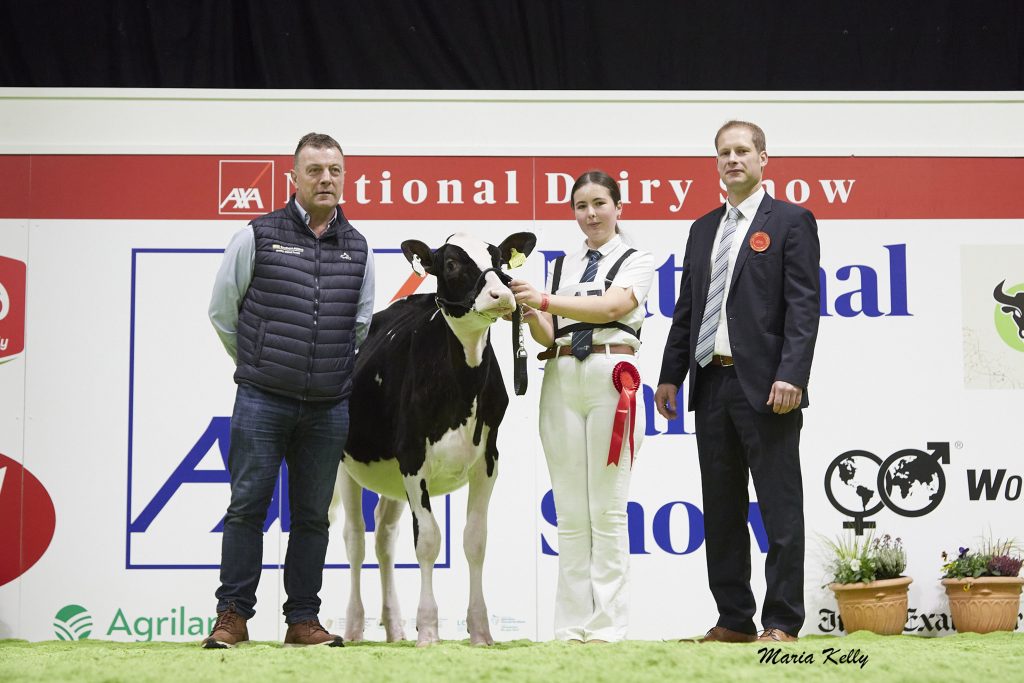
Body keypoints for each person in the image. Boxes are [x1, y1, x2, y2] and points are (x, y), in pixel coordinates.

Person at [204, 132, 375, 648]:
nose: (326, 179)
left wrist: (322, 374)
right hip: (262, 397)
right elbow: (222, 310)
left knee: (313, 518)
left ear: (345, 178)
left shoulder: (360, 247)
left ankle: (303, 620)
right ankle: (232, 615)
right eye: (315, 170)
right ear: (293, 178)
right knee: (246, 507)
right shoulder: (257, 234)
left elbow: (360, 325)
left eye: (335, 171)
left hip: (327, 407)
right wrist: (258, 365)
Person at [655, 121, 820, 644]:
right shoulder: (703, 229)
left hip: (769, 388)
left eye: (742, 150)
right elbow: (687, 309)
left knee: (778, 508)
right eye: (724, 152)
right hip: (711, 385)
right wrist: (669, 376)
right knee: (721, 511)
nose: (733, 159)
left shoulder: (792, 221)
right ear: (716, 163)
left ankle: (782, 622)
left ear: (764, 158)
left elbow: (803, 307)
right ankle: (733, 620)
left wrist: (791, 374)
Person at [510, 170, 654, 643]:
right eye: (580, 206)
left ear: (618, 207)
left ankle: (608, 627)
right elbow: (551, 334)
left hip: (614, 376)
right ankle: (570, 626)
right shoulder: (563, 265)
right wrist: (531, 313)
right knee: (569, 511)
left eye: (599, 203)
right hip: (562, 373)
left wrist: (548, 299)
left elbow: (614, 307)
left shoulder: (638, 259)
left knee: (609, 509)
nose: (590, 214)